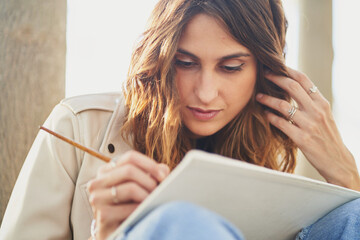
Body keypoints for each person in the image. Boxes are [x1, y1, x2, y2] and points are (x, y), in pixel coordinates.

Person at [1, 0, 359, 239]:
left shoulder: (265, 147)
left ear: (264, 70)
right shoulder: (79, 126)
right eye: (185, 63)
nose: (205, 92)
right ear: (161, 56)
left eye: (231, 67)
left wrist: (346, 175)